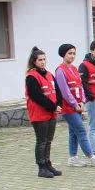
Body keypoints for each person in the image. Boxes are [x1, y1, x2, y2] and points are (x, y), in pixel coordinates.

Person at [55, 44, 95, 168]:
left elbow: (80, 86)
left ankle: (73, 158)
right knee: (82, 131)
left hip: (78, 106)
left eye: (73, 53)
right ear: (63, 55)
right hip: (69, 108)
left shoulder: (74, 68)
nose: (72, 56)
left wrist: (83, 101)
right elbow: (65, 91)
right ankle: (92, 157)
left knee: (73, 132)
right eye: (69, 53)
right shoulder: (60, 70)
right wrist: (74, 104)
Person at [25, 46, 62, 178]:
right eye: (40, 60)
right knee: (41, 140)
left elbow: (57, 91)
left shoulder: (49, 74)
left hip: (51, 113)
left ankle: (48, 164)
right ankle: (41, 167)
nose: (43, 62)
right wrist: (53, 106)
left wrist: (58, 104)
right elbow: (37, 96)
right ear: (34, 61)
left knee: (49, 140)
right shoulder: (31, 77)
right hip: (39, 114)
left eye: (44, 59)